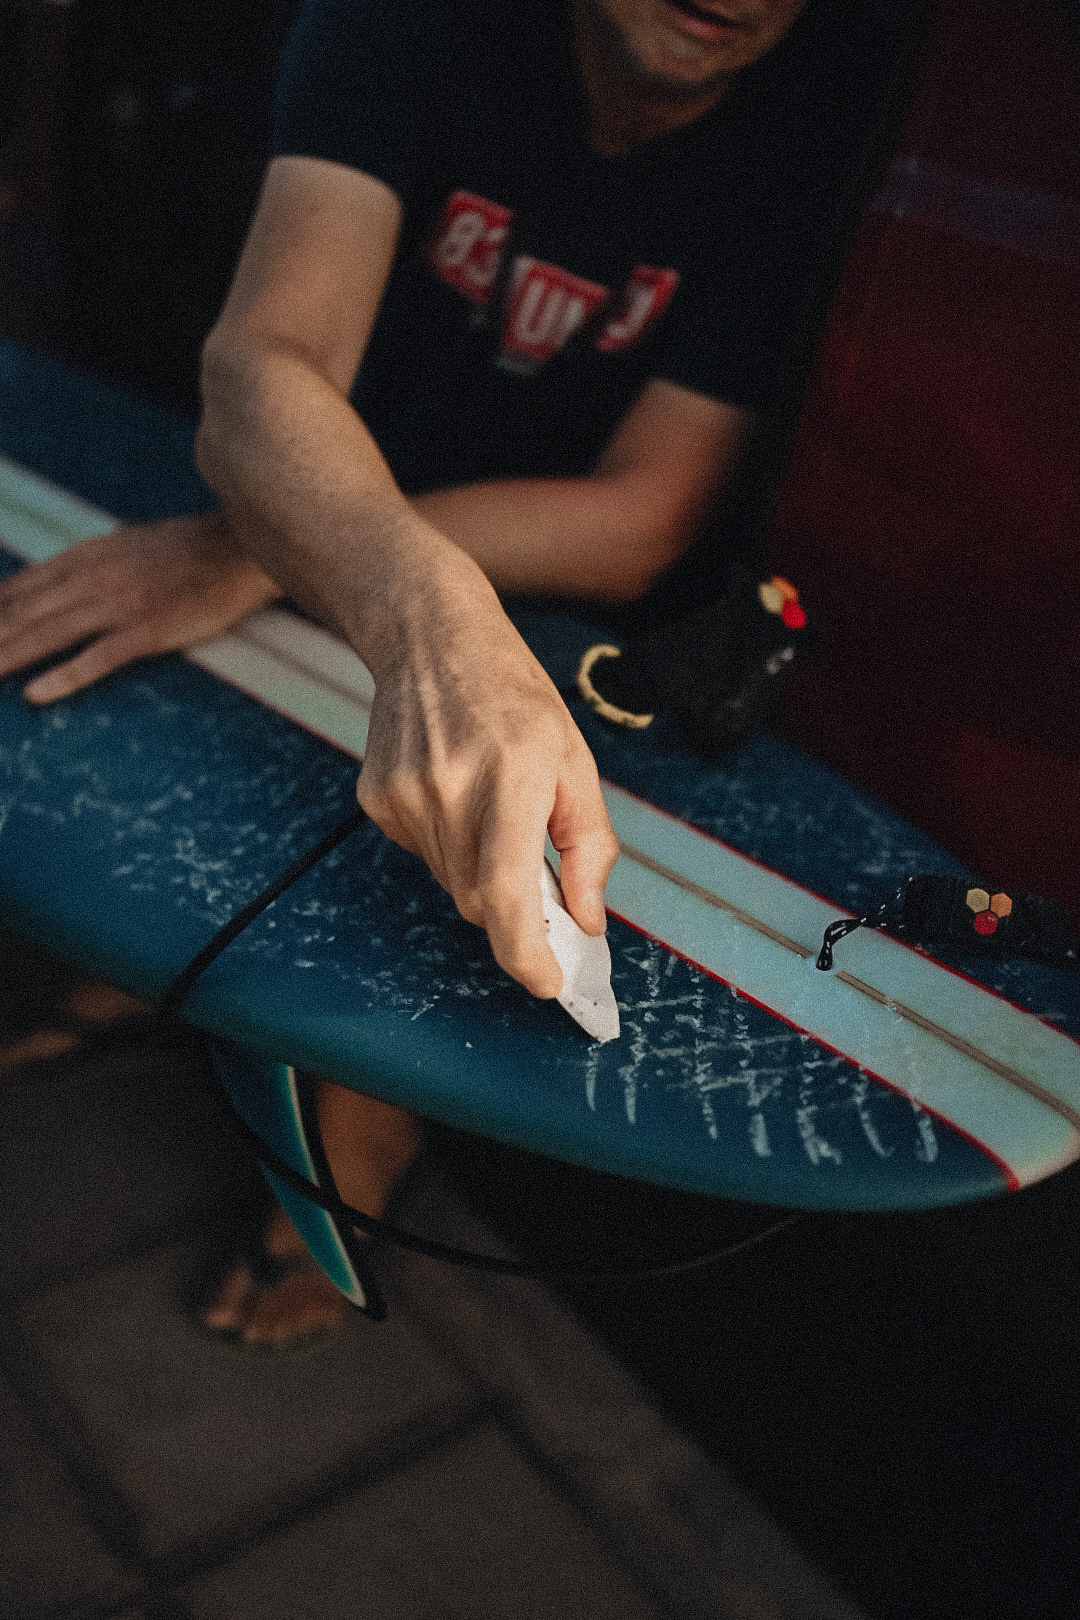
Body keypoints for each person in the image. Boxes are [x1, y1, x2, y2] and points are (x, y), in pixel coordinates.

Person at [0, 0, 856, 1341]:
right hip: (325, 503)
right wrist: (395, 596)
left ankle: (361, 1116)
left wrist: (285, 557)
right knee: (167, 745)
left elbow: (643, 523)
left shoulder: (808, 139)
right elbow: (266, 363)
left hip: (533, 585)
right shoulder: (406, 23)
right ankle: (157, 973)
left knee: (461, 868)